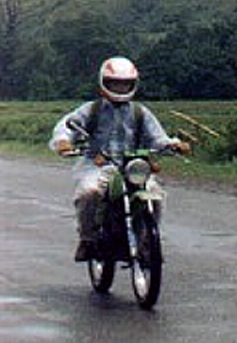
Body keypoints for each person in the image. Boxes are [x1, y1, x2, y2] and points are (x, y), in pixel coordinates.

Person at [49, 56, 190, 261]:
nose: (120, 88)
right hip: (98, 166)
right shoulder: (91, 110)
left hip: (132, 167)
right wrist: (63, 142)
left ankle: (147, 242)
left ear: (133, 84)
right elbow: (67, 126)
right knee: (89, 193)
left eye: (125, 84)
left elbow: (158, 137)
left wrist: (173, 145)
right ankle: (87, 239)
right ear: (104, 83)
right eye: (115, 83)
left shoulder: (140, 112)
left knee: (155, 195)